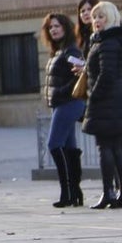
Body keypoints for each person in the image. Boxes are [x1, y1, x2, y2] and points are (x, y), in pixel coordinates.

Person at [82, 0, 122, 209]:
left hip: (107, 99)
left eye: (101, 16)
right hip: (117, 98)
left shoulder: (106, 43)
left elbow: (106, 74)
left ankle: (109, 192)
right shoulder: (114, 41)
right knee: (117, 145)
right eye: (94, 17)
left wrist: (93, 96)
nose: (96, 21)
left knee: (105, 146)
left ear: (111, 18)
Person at [40, 13, 85, 208]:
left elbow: (80, 77)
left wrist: (59, 92)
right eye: (50, 27)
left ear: (66, 28)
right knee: (69, 148)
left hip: (69, 102)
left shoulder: (71, 51)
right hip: (60, 103)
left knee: (54, 144)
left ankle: (67, 193)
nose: (53, 30)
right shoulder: (57, 51)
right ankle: (75, 193)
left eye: (57, 26)